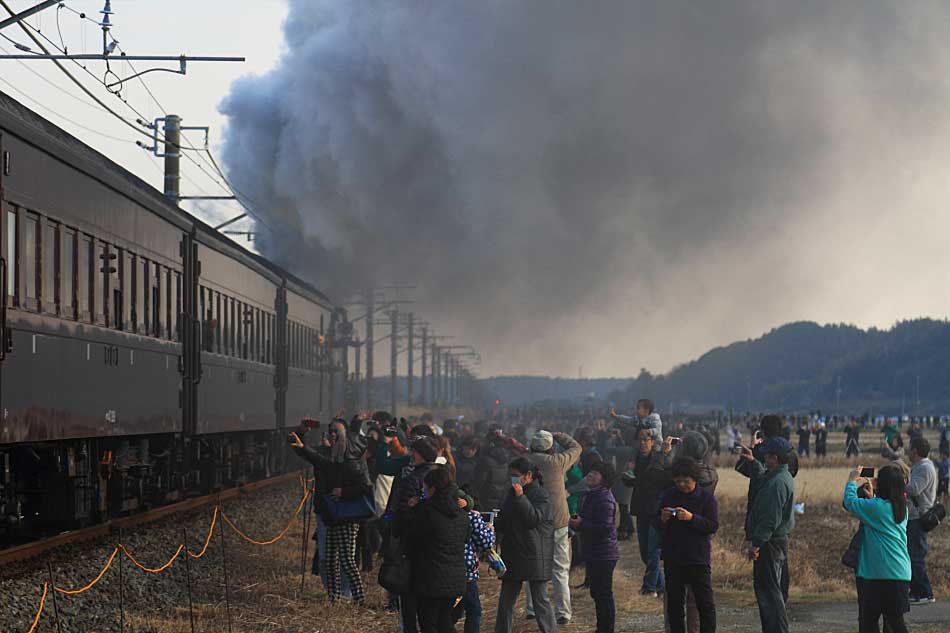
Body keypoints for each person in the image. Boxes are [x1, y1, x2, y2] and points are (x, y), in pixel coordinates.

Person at [289, 419, 371, 605]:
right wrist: (302, 445)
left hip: (347, 518)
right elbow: (316, 458)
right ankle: (333, 598)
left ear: (344, 439)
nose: (332, 435)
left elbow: (366, 487)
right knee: (330, 559)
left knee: (347, 560)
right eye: (330, 432)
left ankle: (358, 598)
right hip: (331, 515)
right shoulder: (331, 462)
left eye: (337, 432)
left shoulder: (352, 462)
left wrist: (344, 492)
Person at [524, 430, 582, 625]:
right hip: (557, 521)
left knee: (533, 566)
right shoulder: (557, 462)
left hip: (533, 521)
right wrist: (560, 435)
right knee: (560, 569)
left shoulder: (525, 462)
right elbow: (577, 447)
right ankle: (563, 613)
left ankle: (532, 608)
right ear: (551, 447)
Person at [493, 457, 556, 633]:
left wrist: (521, 497)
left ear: (528, 475)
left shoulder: (540, 494)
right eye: (511, 475)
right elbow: (505, 519)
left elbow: (532, 519)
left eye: (516, 475)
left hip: (535, 553)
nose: (512, 479)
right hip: (514, 552)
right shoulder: (511, 493)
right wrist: (490, 523)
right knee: (506, 600)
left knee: (540, 600)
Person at [738, 436, 794, 633]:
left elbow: (770, 520)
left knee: (770, 594)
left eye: (767, 456)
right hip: (774, 542)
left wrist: (756, 544)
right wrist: (752, 462)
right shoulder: (779, 476)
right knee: (771, 591)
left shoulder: (777, 484)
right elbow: (762, 477)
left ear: (775, 458)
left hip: (770, 544)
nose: (765, 460)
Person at [657, 457, 719, 633]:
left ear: (694, 479)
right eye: (677, 481)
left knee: (705, 604)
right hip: (673, 557)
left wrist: (692, 518)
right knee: (675, 606)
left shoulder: (706, 499)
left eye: (686, 481)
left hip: (697, 558)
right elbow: (657, 523)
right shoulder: (669, 495)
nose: (682, 485)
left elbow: (712, 525)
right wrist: (662, 518)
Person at [406, 467, 472, 633]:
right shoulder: (461, 513)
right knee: (445, 621)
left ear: (433, 489)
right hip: (455, 578)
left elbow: (412, 538)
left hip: (430, 579)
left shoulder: (425, 511)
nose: (423, 491)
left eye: (425, 487)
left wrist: (409, 510)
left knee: (428, 623)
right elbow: (465, 538)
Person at [570, 461, 620, 633]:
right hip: (594, 552)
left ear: (604, 479)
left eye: (596, 473)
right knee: (597, 593)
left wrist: (582, 524)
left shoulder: (605, 498)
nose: (590, 475)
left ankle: (607, 628)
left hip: (604, 553)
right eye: (590, 471)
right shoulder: (590, 495)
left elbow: (605, 529)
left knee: (603, 594)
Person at [630, 428, 674, 597]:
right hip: (641, 508)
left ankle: (649, 588)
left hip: (656, 508)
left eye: (646, 439)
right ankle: (662, 586)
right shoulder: (637, 458)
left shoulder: (660, 458)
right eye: (640, 439)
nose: (642, 443)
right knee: (644, 552)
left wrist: (663, 454)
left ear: (653, 442)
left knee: (653, 549)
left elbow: (660, 478)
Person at [454, 489, 496, 633]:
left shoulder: (436, 513)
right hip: (466, 571)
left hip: (442, 569)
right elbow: (486, 543)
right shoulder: (471, 517)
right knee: (474, 610)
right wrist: (490, 530)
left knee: (451, 609)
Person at [905, 437, 937, 604]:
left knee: (916, 556)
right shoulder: (920, 466)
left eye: (909, 448)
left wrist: (899, 481)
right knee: (911, 555)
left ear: (915, 451)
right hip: (914, 517)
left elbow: (915, 488)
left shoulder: (924, 467)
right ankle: (916, 592)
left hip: (918, 518)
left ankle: (925, 593)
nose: (907, 451)